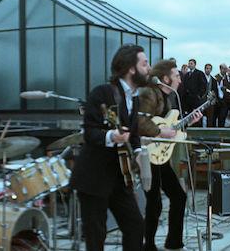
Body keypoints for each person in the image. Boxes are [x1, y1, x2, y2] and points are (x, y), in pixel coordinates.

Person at [70, 44, 149, 251]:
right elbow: (89, 132)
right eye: (145, 63)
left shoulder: (135, 98)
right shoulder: (102, 93)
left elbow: (134, 133)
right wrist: (111, 135)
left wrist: (138, 152)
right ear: (132, 68)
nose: (149, 68)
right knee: (96, 236)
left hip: (119, 177)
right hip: (93, 178)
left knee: (135, 226)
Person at [138, 60, 202, 251]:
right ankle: (147, 245)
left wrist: (189, 122)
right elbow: (140, 121)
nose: (180, 80)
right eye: (176, 76)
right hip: (146, 154)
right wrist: (160, 133)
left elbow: (171, 126)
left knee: (178, 196)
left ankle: (174, 242)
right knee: (154, 203)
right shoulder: (149, 93)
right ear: (165, 78)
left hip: (159, 156)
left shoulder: (169, 98)